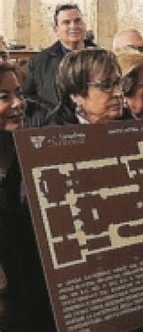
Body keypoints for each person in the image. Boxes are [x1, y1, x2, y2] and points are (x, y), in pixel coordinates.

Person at [0, 63, 55, 330]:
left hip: (33, 288)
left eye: (19, 93)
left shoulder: (28, 150)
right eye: (4, 97)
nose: (18, 104)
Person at [23, 3, 88, 108]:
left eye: (77, 21)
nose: (73, 26)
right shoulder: (39, 62)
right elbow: (28, 96)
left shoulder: (101, 58)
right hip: (55, 121)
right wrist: (48, 114)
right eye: (66, 22)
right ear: (56, 29)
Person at [46, 48, 128, 125]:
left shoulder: (131, 126)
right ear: (76, 95)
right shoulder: (55, 132)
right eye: (106, 85)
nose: (118, 93)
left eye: (119, 83)